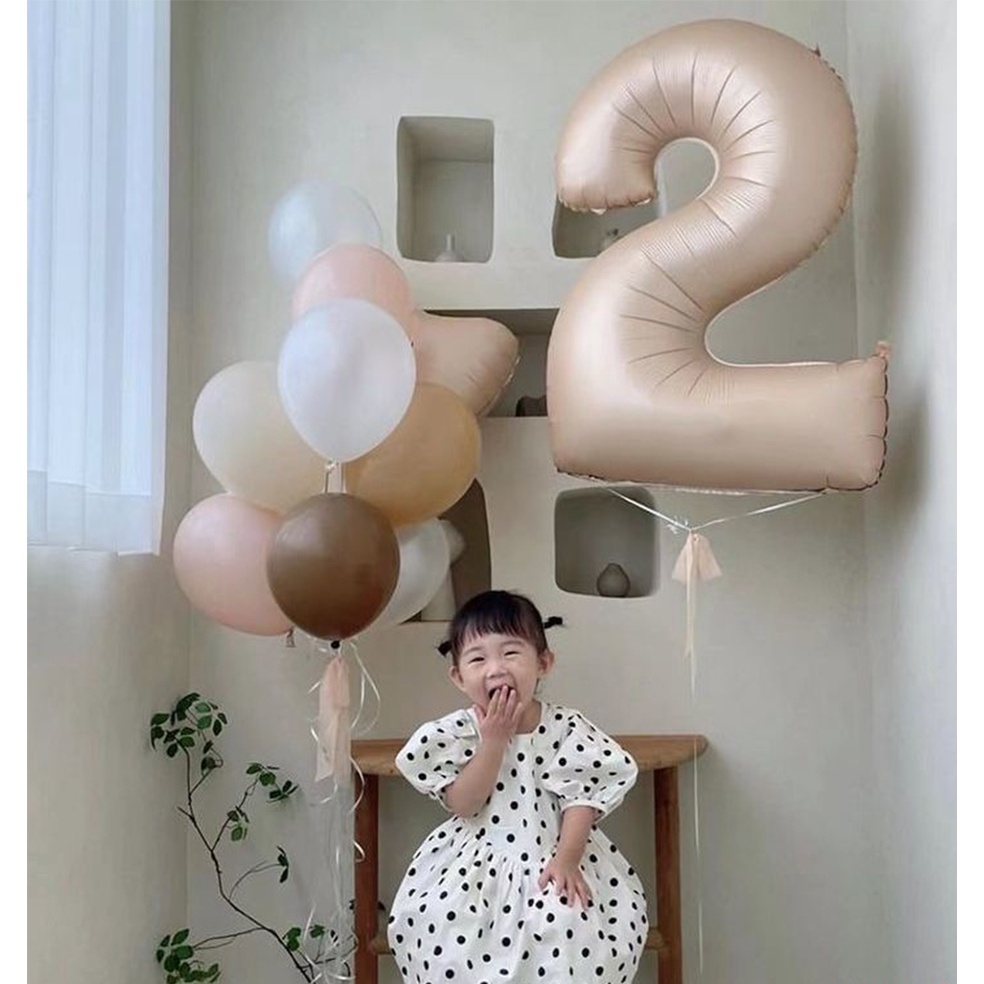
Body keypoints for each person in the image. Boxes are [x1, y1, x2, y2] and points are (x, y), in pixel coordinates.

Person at [387, 589, 648, 984]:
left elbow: (582, 798)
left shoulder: (565, 728)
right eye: (478, 659)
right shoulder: (459, 733)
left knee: (569, 932)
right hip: (477, 870)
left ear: (543, 663)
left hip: (557, 855)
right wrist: (493, 741)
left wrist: (567, 859)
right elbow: (464, 804)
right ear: (459, 677)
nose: (496, 668)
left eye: (511, 653)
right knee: (452, 938)